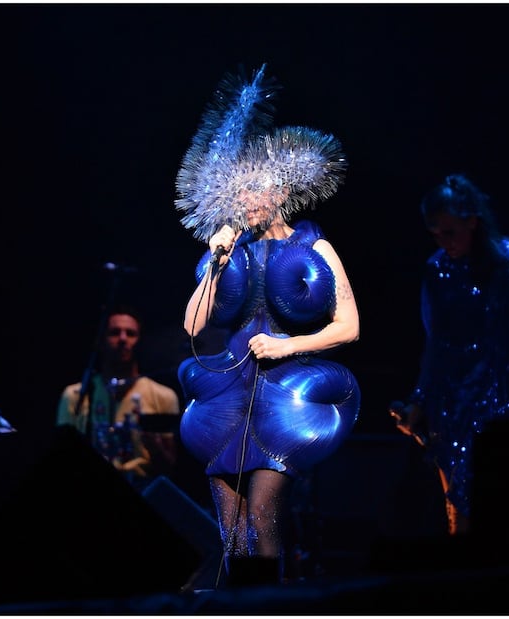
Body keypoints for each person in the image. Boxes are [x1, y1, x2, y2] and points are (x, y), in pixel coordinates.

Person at [174, 64, 360, 585]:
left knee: (262, 516)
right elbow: (193, 323)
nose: (243, 204)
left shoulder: (314, 247)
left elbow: (349, 326)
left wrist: (289, 346)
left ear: (277, 193)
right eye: (236, 196)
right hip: (231, 395)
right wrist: (214, 261)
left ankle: (274, 608)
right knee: (229, 528)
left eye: (252, 193)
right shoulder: (228, 252)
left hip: (282, 393)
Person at [390, 173, 509, 536]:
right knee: (456, 502)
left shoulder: (506, 263)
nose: (444, 242)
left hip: (498, 393)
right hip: (451, 397)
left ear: (472, 221)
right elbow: (435, 341)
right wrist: (420, 400)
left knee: (500, 497)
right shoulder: (438, 268)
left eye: (450, 232)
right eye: (436, 234)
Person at [56, 305, 181, 490]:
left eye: (130, 334)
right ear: (100, 340)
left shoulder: (163, 396)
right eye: (115, 332)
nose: (123, 339)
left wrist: (154, 446)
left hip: (141, 489)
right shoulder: (76, 395)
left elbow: (169, 468)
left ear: (139, 341)